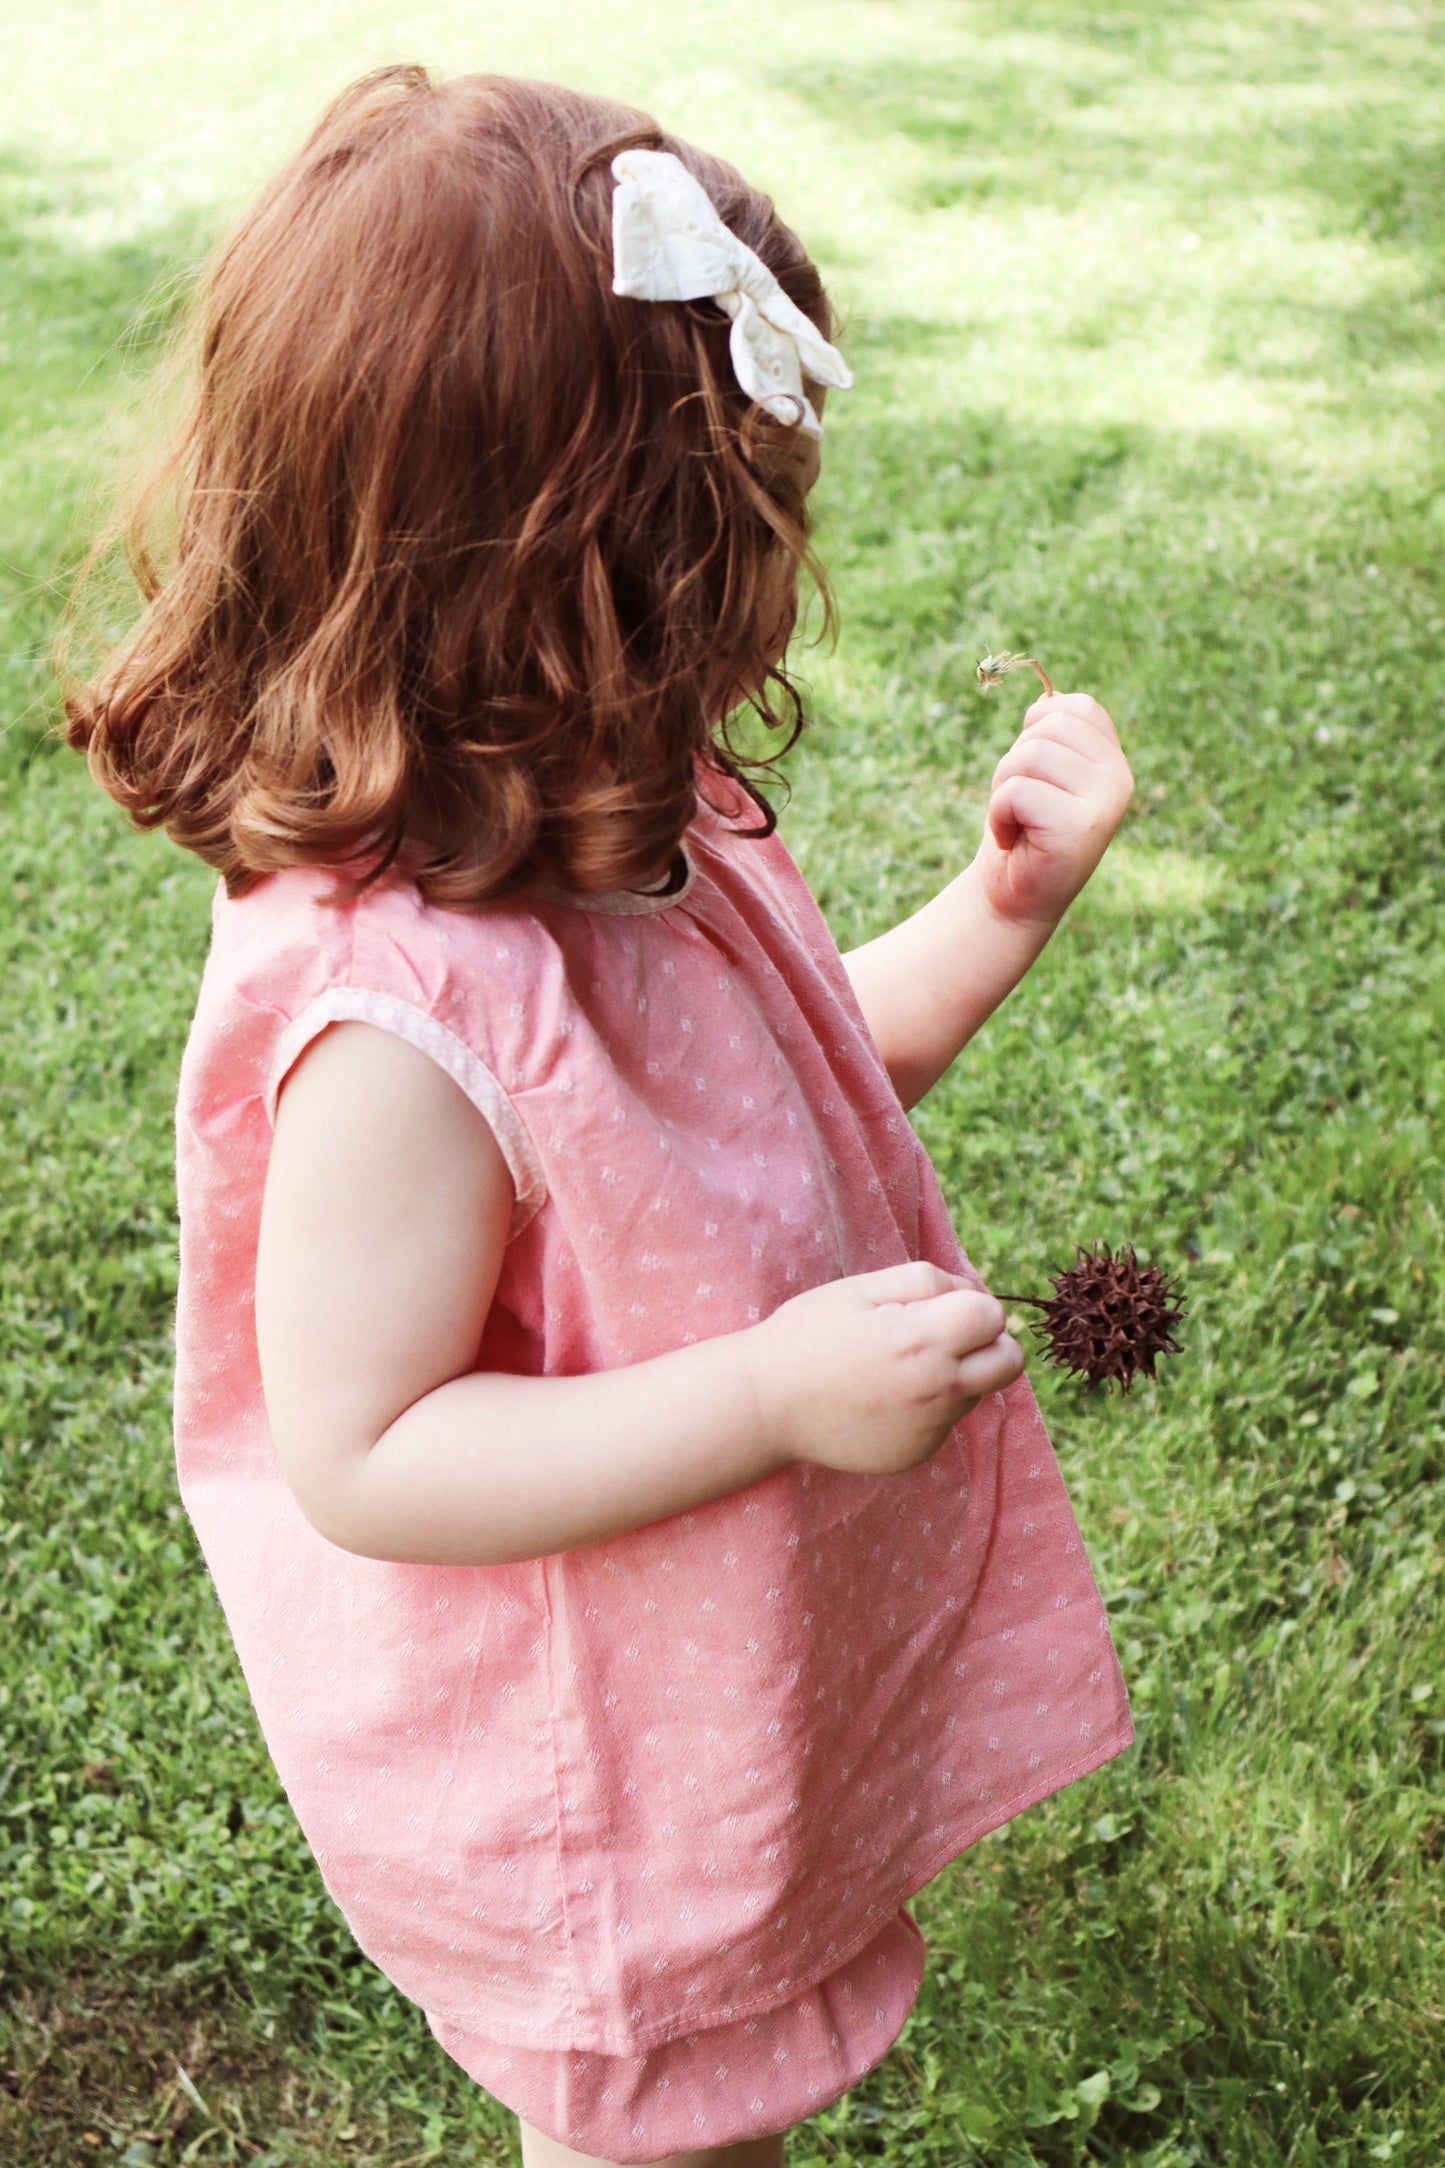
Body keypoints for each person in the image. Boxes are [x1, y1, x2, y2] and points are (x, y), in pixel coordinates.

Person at [66, 64, 1136, 2168]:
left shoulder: (615, 821)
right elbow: (363, 1448)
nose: (757, 607)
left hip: (695, 1668)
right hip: (583, 1746)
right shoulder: (402, 1015)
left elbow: (780, 1089)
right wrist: (764, 1393)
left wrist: (1004, 904)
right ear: (558, 586)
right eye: (724, 555)